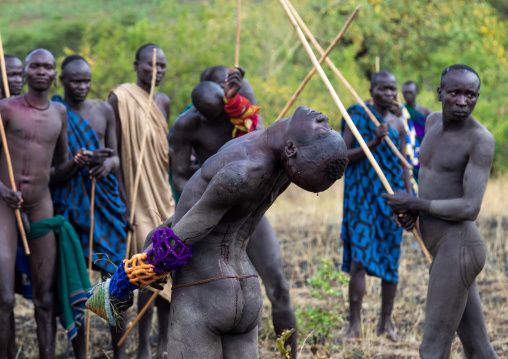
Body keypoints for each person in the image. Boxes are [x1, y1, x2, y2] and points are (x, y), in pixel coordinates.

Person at [88, 105, 348, 358]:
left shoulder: (242, 172)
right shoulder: (280, 164)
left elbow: (173, 246)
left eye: (321, 131)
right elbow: (195, 214)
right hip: (246, 285)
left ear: (292, 148)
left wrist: (118, 286)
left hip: (204, 290)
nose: (323, 120)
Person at [171, 66, 299, 354]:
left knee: (278, 285)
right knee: (203, 295)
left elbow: (269, 143)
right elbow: (179, 174)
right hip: (209, 215)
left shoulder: (244, 108)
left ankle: (290, 353)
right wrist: (207, 204)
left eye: (228, 91)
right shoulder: (187, 123)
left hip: (250, 213)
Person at [382, 65, 498, 358]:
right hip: (444, 248)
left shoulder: (480, 140)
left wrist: (414, 204)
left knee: (432, 347)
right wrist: (414, 214)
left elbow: (470, 207)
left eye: (470, 95)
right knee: (479, 350)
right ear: (440, 94)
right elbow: (433, 183)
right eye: (455, 93)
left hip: (458, 247)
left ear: (477, 97)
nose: (462, 101)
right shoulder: (432, 123)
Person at [0, 48, 90, 359]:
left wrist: (77, 163)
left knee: (46, 298)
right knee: (5, 298)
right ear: (25, 72)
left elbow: (57, 168)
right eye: (34, 66)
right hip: (4, 205)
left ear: (55, 75)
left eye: (47, 67)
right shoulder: (5, 109)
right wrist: (1, 189)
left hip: (40, 204)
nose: (41, 71)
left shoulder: (59, 113)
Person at [52, 54, 128, 359]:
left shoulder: (104, 110)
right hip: (71, 203)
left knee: (115, 281)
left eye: (87, 80)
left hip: (105, 200)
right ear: (62, 81)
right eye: (75, 81)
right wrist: (76, 162)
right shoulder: (56, 112)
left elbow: (117, 156)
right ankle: (79, 351)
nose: (82, 86)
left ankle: (119, 350)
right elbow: (55, 167)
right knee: (77, 278)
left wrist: (108, 162)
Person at [108, 43, 174, 359]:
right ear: (136, 65)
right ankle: (142, 345)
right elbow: (118, 154)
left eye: (162, 66)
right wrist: (124, 204)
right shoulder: (119, 98)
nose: (157, 71)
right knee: (145, 271)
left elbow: (164, 156)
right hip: (134, 198)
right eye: (151, 65)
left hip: (162, 195)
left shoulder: (164, 101)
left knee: (170, 268)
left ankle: (163, 344)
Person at [341, 71, 412, 341]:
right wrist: (374, 141)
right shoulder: (358, 115)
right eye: (382, 88)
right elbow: (343, 157)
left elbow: (405, 164)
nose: (389, 93)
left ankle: (386, 325)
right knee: (359, 259)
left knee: (391, 261)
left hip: (391, 199)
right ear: (371, 90)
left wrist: (407, 198)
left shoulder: (399, 122)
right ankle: (354, 327)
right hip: (361, 198)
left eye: (392, 88)